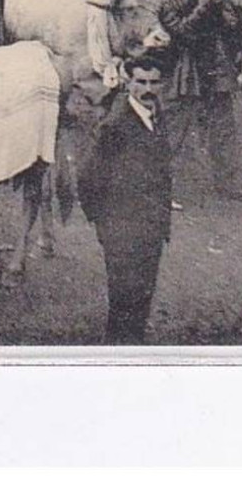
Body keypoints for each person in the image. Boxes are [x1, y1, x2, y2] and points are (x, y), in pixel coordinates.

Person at [76, 53, 174, 345]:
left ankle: (132, 350)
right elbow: (87, 174)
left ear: (162, 85)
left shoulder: (157, 116)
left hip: (151, 228)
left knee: (142, 296)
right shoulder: (116, 125)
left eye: (153, 83)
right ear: (128, 83)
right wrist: (102, 223)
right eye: (140, 82)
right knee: (124, 300)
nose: (147, 89)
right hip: (122, 230)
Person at [158, 0, 242, 202]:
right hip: (185, 65)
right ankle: (163, 190)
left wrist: (222, 11)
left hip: (215, 62)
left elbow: (232, 21)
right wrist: (203, 7)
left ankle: (228, 184)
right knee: (177, 128)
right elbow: (177, 31)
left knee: (223, 126)